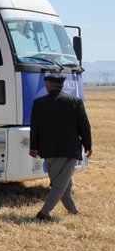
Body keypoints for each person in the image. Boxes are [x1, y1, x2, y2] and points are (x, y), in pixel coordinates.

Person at [29, 73, 92, 221]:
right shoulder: (75, 101)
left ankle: (73, 211)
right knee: (61, 185)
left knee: (62, 184)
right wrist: (88, 145)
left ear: (48, 86)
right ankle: (43, 213)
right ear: (62, 86)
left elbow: (35, 128)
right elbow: (84, 126)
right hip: (70, 150)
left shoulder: (39, 103)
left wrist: (33, 147)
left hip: (48, 150)